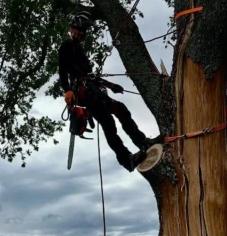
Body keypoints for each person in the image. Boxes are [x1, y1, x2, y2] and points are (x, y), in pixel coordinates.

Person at [59, 13, 158, 171]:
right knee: (109, 124)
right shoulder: (66, 46)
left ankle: (143, 143)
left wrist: (110, 85)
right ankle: (127, 159)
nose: (81, 32)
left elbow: (91, 76)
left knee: (121, 109)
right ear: (71, 29)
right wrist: (67, 90)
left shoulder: (79, 49)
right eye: (78, 29)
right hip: (85, 93)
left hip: (93, 90)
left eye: (83, 30)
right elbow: (62, 70)